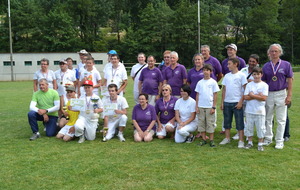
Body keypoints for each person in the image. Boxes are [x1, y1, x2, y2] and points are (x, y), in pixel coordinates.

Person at [262, 43, 293, 149]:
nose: (274, 53)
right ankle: (268, 138)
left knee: (281, 119)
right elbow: (263, 81)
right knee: (268, 118)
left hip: (281, 93)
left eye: (276, 51)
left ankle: (280, 140)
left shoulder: (286, 64)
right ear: (269, 53)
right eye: (272, 51)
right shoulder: (266, 66)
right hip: (269, 93)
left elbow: (290, 80)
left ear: (280, 52)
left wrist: (289, 95)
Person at [220, 58, 247, 148]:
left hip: (237, 102)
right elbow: (224, 89)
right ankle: (227, 138)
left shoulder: (241, 75)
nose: (228, 66)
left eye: (229, 64)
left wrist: (240, 102)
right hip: (227, 102)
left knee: (239, 122)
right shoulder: (227, 76)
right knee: (227, 122)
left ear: (235, 64)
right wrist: (222, 102)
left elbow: (244, 90)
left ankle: (241, 140)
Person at [243, 67, 268, 151]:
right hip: (249, 110)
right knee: (249, 127)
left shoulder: (264, 85)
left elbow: (264, 98)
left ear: (261, 75)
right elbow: (246, 97)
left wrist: (253, 95)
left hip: (260, 110)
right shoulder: (249, 85)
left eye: (258, 74)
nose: (256, 76)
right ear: (252, 75)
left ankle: (260, 143)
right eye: (254, 74)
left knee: (260, 127)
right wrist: (258, 96)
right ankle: (249, 142)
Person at [195, 64, 220, 147]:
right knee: (201, 123)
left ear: (211, 72)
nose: (206, 72)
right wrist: (197, 106)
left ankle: (211, 140)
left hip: (209, 106)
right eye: (204, 70)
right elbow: (197, 95)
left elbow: (215, 95)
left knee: (210, 123)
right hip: (201, 106)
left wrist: (214, 106)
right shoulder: (200, 82)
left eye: (207, 70)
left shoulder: (213, 82)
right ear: (202, 71)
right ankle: (203, 139)